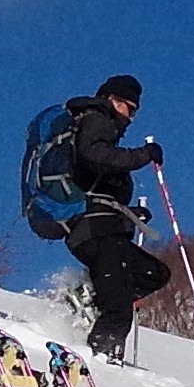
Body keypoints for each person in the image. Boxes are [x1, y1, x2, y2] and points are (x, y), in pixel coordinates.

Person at [56, 73, 169, 358]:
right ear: (111, 100)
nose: (131, 117)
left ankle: (84, 296)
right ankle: (101, 362)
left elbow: (94, 185)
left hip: (99, 227)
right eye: (128, 108)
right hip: (95, 231)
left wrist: (129, 214)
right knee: (118, 309)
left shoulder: (94, 124)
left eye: (135, 111)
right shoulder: (96, 119)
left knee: (154, 273)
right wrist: (142, 156)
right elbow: (95, 156)